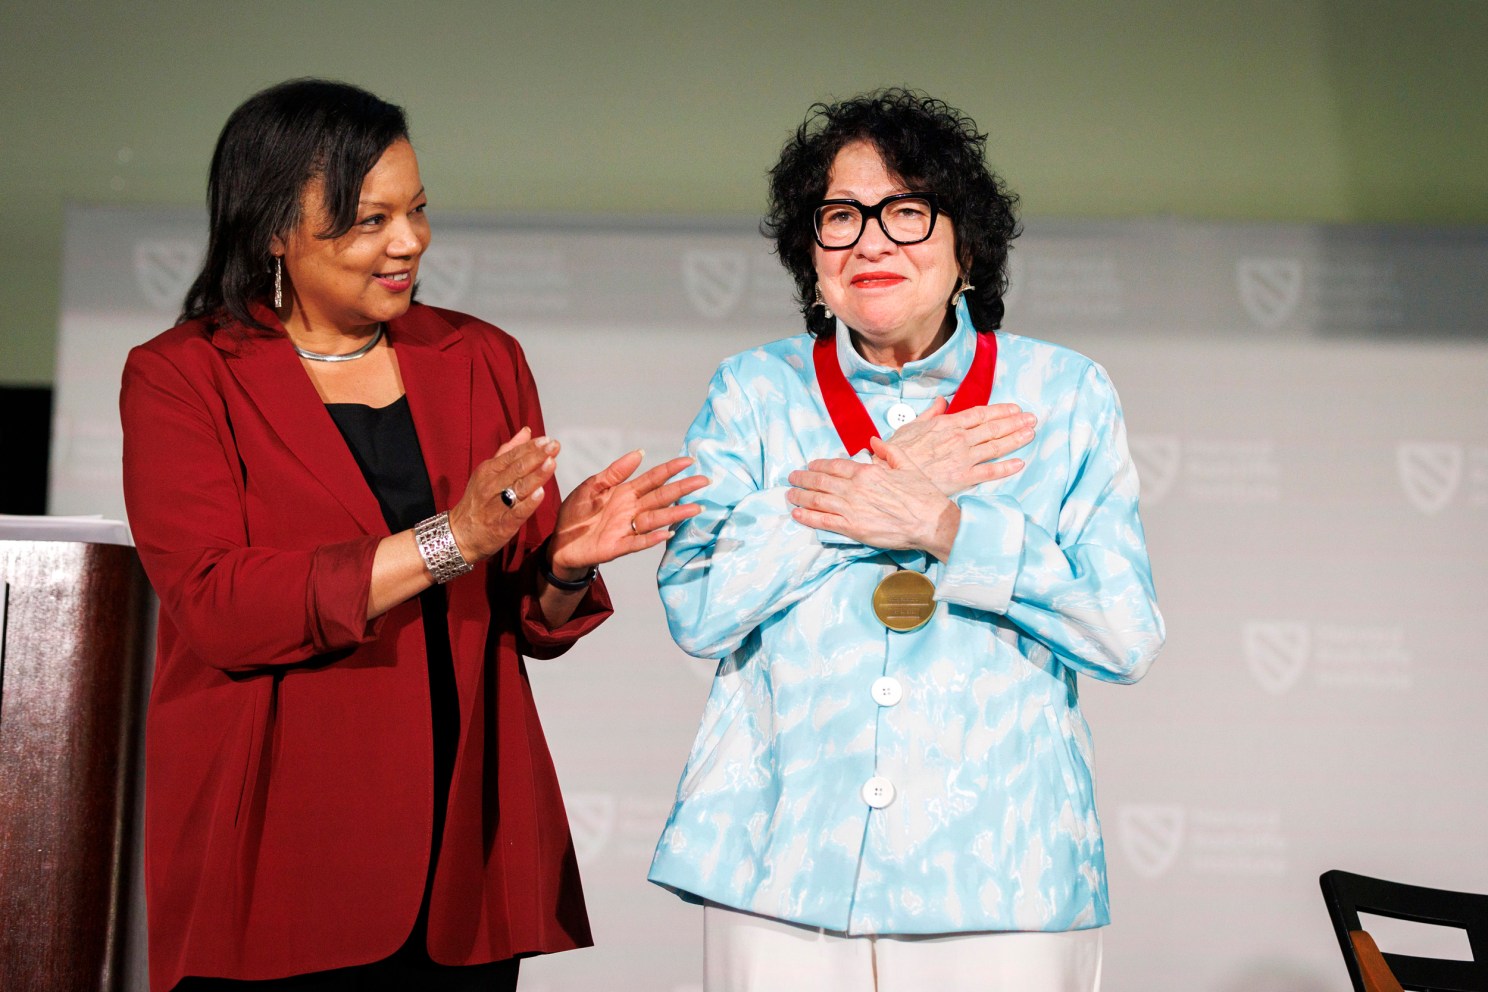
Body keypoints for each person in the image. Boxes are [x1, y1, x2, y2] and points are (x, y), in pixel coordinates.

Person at [120, 78, 705, 992]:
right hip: (281, 851)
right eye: (367, 220)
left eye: (417, 211)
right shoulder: (183, 376)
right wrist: (450, 540)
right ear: (273, 227)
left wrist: (558, 563)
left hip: (462, 854)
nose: (408, 243)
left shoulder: (478, 357)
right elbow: (218, 606)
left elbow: (523, 615)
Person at [649, 89, 1165, 991]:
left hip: (1001, 878)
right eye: (841, 216)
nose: (872, 240)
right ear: (811, 253)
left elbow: (1124, 634)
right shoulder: (752, 391)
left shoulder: (1066, 393)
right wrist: (864, 497)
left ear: (967, 245)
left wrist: (945, 526)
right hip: (780, 866)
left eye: (907, 212)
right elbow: (697, 607)